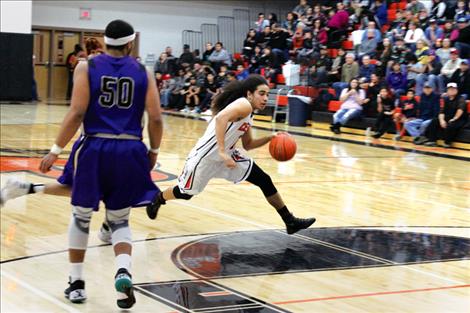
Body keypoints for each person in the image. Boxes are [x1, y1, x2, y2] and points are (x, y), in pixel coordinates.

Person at [1, 20, 163, 309]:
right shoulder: (144, 72)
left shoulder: (86, 67)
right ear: (130, 44)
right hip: (130, 148)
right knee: (120, 220)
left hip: (95, 145)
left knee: (81, 216)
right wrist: (154, 150)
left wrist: (55, 150)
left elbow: (77, 113)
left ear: (106, 41)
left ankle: (76, 284)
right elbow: (157, 118)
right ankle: (123, 269)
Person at [145, 75, 315, 235]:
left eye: (267, 94)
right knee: (186, 194)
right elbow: (221, 119)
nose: (265, 98)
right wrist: (221, 151)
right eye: (261, 94)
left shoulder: (249, 113)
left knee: (264, 179)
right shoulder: (244, 105)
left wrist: (270, 138)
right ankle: (158, 198)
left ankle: (290, 221)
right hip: (205, 157)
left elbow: (248, 145)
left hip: (228, 154)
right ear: (249, 94)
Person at [423, 83, 468, 147]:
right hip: (448, 117)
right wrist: (442, 120)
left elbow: (460, 110)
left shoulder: (461, 99)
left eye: (453, 89)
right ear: (447, 91)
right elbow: (442, 112)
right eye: (449, 89)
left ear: (457, 90)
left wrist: (454, 119)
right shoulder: (446, 99)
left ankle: (447, 142)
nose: (451, 90)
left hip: (460, 119)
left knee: (451, 124)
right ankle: (432, 140)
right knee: (434, 121)